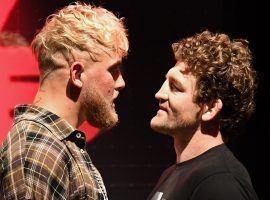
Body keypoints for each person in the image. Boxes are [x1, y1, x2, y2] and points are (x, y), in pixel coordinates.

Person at [0, 2, 128, 200]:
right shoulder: (40, 148)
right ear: (77, 74)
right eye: (113, 70)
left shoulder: (54, 144)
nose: (121, 83)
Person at [148, 30, 258, 200]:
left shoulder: (220, 182)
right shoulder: (172, 174)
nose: (159, 94)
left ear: (210, 108)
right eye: (165, 83)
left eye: (175, 87)